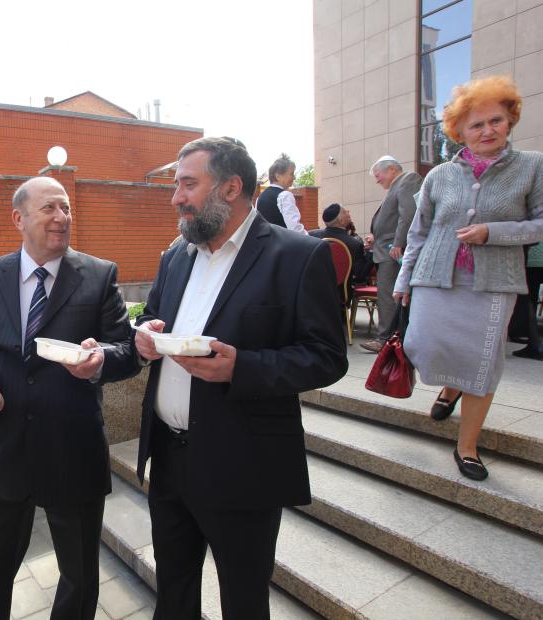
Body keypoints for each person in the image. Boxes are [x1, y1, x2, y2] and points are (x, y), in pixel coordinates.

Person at [133, 137, 347, 618]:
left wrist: (241, 367)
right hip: (168, 459)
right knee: (173, 592)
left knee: (244, 600)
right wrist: (145, 335)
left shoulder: (297, 256)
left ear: (231, 188)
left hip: (243, 464)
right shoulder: (177, 255)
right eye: (176, 185)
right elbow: (152, 317)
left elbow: (328, 357)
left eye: (188, 184)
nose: (176, 197)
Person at [0, 176, 138, 620]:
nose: (62, 217)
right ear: (18, 219)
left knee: (79, 576)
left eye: (66, 208)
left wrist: (100, 360)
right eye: (49, 208)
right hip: (2, 450)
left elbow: (128, 350)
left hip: (72, 450)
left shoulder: (98, 275)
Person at [393, 75, 543, 481]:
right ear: (459, 131)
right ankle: (450, 387)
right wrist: (403, 280)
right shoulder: (439, 174)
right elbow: (419, 232)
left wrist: (493, 232)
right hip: (434, 276)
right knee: (421, 344)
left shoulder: (532, 166)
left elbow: (540, 223)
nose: (487, 130)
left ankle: (467, 447)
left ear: (510, 120)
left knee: (483, 363)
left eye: (496, 120)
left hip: (493, 282)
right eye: (476, 124)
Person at [361, 155, 422, 352]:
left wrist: (399, 243)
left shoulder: (407, 180)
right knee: (388, 296)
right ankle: (390, 337)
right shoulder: (397, 185)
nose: (377, 180)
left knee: (388, 296)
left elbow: (408, 214)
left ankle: (385, 339)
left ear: (392, 169)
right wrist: (376, 236)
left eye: (378, 175)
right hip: (387, 248)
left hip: (393, 251)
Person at [310, 203, 368, 283]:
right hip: (342, 289)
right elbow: (360, 275)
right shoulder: (355, 244)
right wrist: (371, 254)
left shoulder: (311, 236)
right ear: (341, 221)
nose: (348, 211)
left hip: (315, 287)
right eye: (345, 211)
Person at [256, 153, 306, 234]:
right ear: (278, 176)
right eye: (291, 174)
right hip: (283, 241)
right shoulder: (285, 196)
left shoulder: (260, 197)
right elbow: (294, 228)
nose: (294, 177)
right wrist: (310, 240)